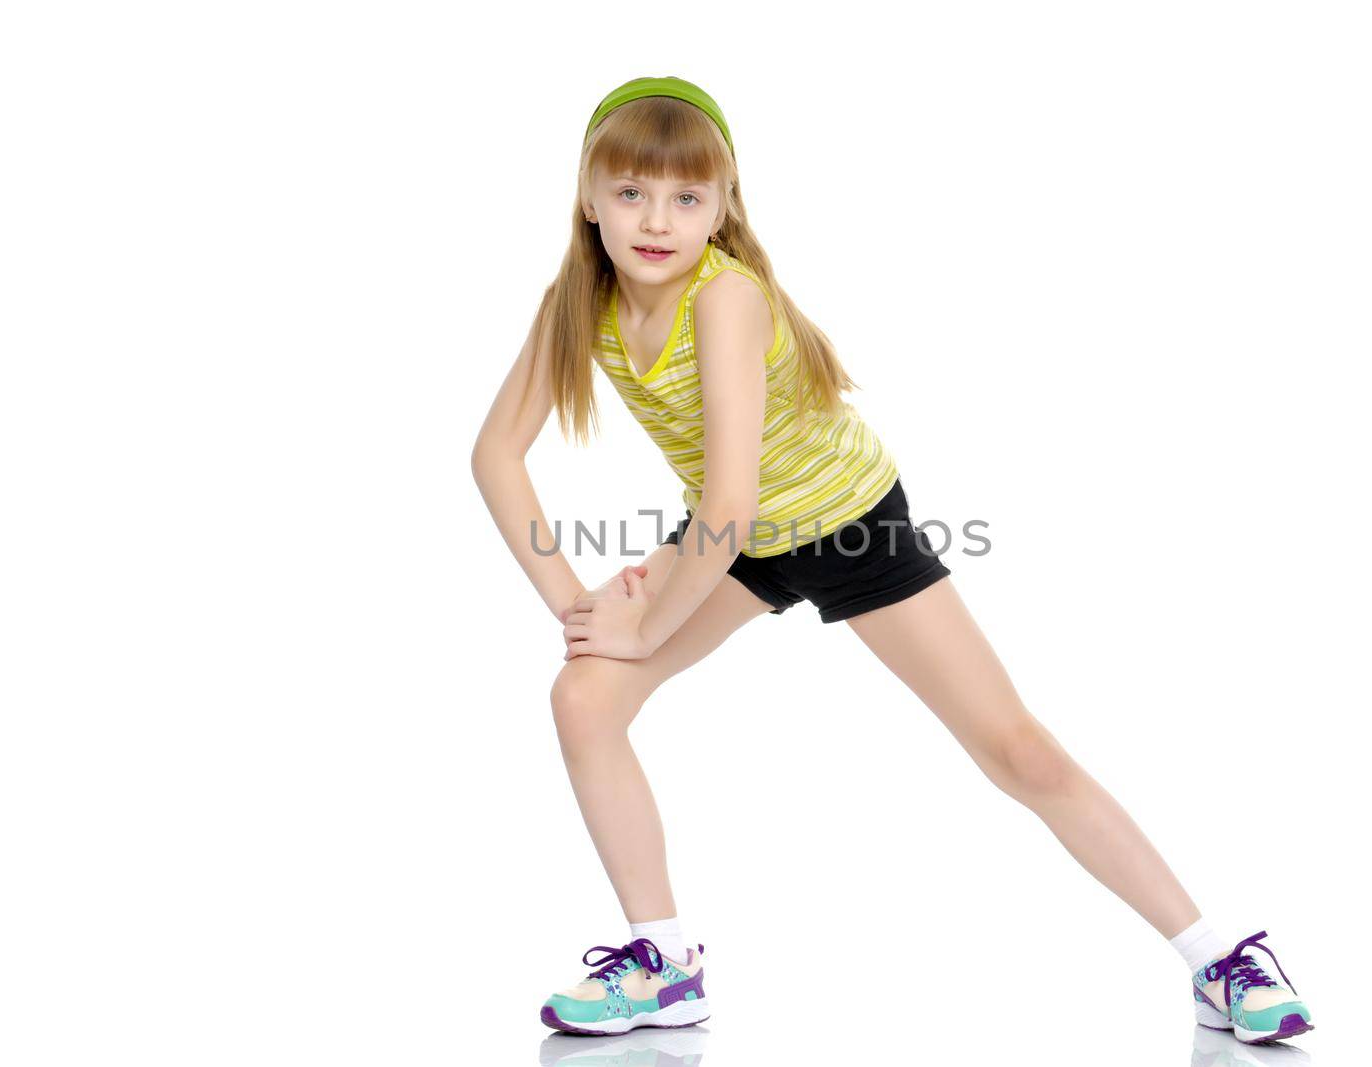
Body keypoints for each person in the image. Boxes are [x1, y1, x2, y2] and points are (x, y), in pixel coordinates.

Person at [470, 75, 1314, 1045]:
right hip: (731, 543)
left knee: (1016, 750)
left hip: (845, 524)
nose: (656, 219)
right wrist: (577, 606)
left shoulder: (726, 298)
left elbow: (736, 497)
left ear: (723, 203)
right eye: (630, 193)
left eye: (686, 197)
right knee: (583, 696)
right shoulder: (577, 303)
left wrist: (646, 617)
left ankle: (1217, 958)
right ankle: (662, 962)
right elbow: (497, 452)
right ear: (588, 195)